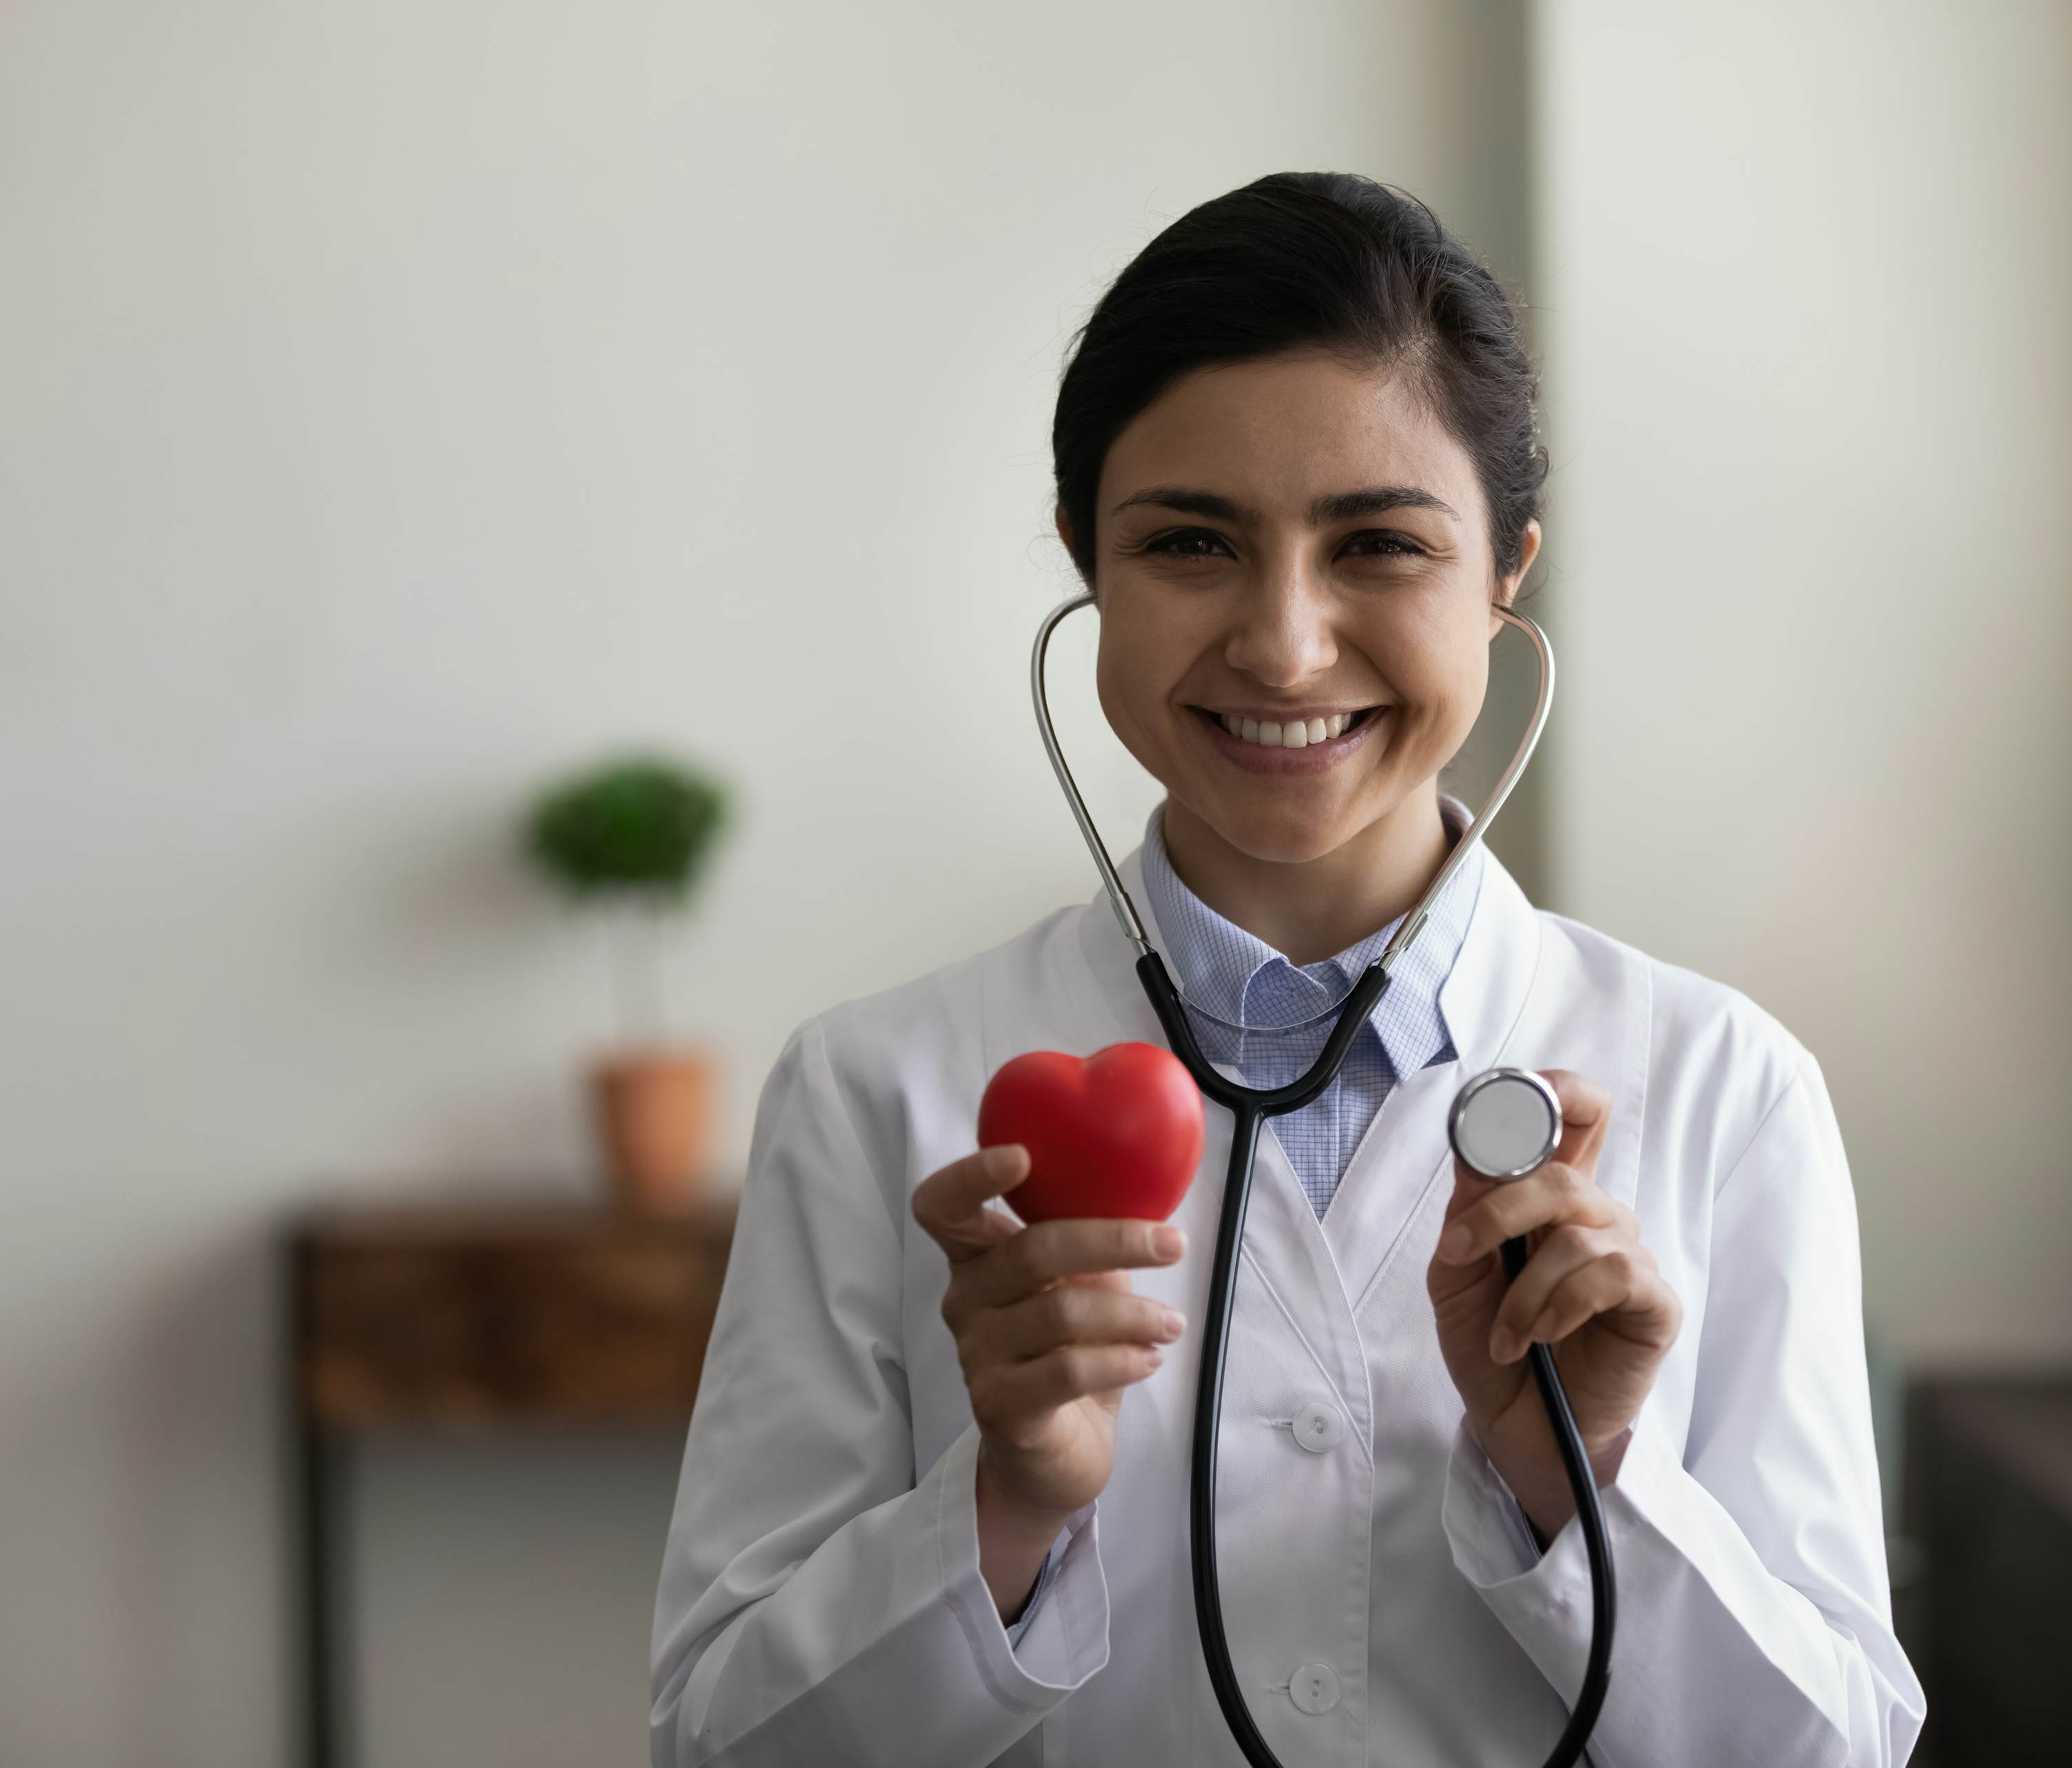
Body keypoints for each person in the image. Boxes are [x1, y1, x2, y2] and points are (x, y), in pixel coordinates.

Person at [650, 171, 1924, 1767]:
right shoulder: (872, 1091)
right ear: (1084, 558)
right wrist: (1004, 1502)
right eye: (1190, 540)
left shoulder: (1728, 1085)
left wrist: (1584, 1478)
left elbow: (1833, 1751)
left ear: (1507, 567)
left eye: (1379, 543)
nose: (1285, 645)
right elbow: (724, 1744)